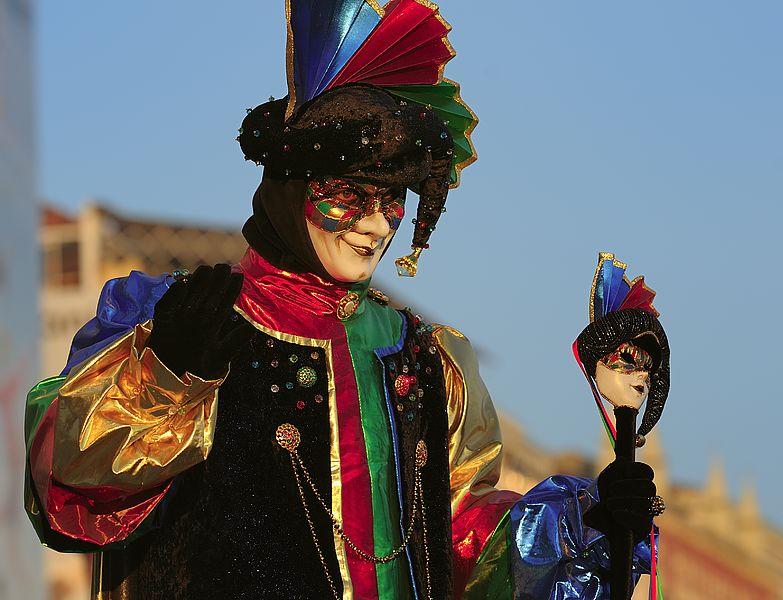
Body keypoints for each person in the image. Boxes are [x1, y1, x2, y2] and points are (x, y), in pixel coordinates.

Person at [24, 2, 663, 598]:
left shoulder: (425, 357)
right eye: (347, 194)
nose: (378, 225)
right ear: (289, 186)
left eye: (392, 200)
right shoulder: (179, 318)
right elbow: (66, 488)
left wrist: (584, 530)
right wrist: (164, 377)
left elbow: (460, 536)